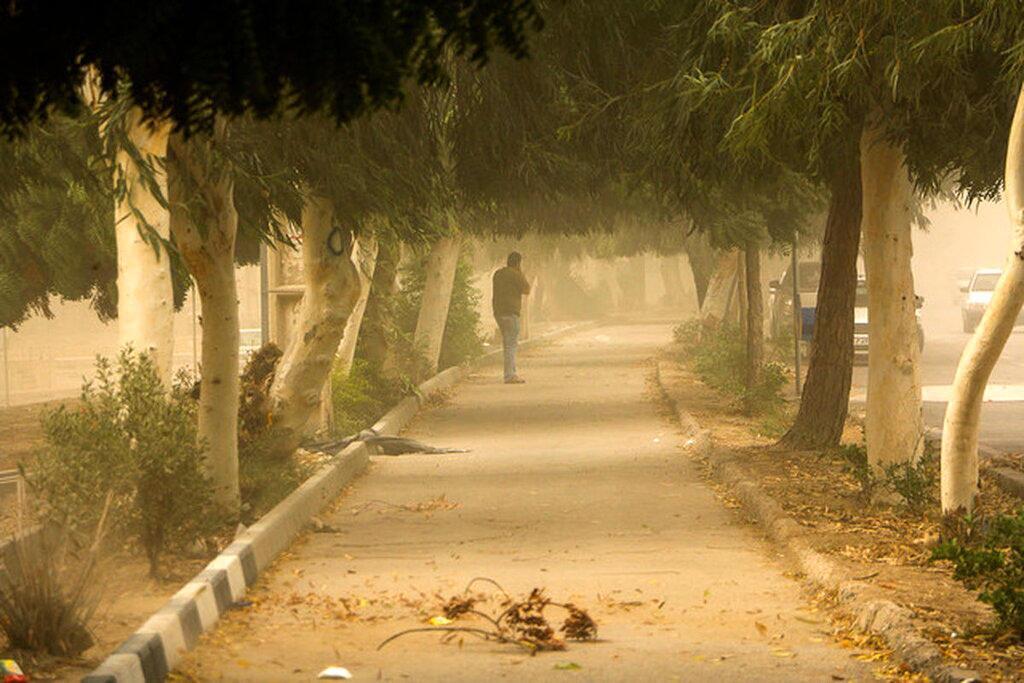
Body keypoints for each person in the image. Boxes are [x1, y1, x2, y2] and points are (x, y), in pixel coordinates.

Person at [492, 251, 531, 384]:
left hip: (498, 312)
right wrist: (521, 272)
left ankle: (509, 373)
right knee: (511, 344)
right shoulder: (516, 274)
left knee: (507, 343)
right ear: (518, 263)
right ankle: (510, 375)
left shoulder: (498, 274)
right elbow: (527, 289)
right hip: (511, 313)